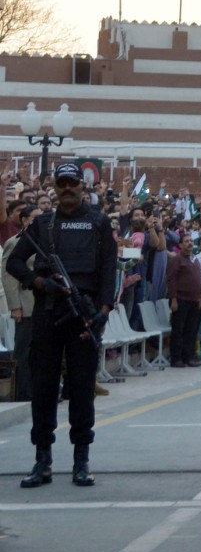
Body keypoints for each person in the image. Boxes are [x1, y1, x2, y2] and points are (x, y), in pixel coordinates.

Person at [7, 163, 117, 489]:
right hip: (48, 313)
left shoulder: (98, 223)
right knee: (43, 389)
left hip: (83, 315)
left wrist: (104, 310)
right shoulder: (43, 224)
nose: (67, 189)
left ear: (82, 186)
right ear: (55, 188)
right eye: (62, 184)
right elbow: (13, 261)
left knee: (82, 390)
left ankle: (81, 461)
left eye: (72, 183)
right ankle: (42, 461)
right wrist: (39, 282)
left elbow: (109, 269)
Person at [2, 206, 40, 401]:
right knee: (23, 350)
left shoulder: (44, 242)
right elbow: (8, 276)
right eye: (34, 218)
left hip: (41, 304)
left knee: (38, 350)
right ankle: (23, 391)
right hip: (25, 305)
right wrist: (14, 305)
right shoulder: (14, 242)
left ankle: (37, 389)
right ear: (25, 220)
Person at [166, 232, 201, 368]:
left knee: (191, 330)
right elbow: (171, 279)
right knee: (178, 330)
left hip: (194, 300)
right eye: (186, 241)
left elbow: (198, 280)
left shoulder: (195, 259)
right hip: (181, 299)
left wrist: (199, 298)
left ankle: (188, 357)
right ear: (180, 245)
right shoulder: (177, 259)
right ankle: (176, 359)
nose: (190, 243)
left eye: (191, 241)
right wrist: (173, 299)